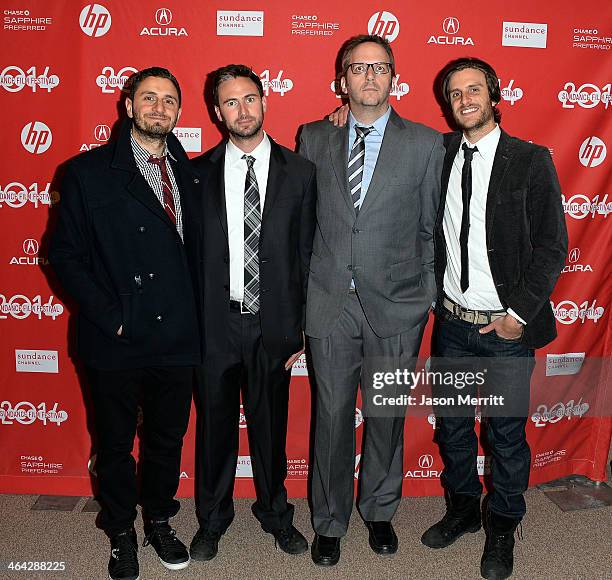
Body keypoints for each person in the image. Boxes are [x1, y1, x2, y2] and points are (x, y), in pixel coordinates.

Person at [49, 67, 200, 580]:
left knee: (166, 439)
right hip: (114, 337)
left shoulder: (190, 171)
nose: (160, 108)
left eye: (170, 100)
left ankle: (157, 517)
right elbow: (64, 256)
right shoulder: (86, 172)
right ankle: (119, 531)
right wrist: (113, 318)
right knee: (114, 443)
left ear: (180, 111)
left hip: (178, 334)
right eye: (149, 98)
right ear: (128, 105)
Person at [299, 35, 444, 565]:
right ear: (342, 80)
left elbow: (431, 228)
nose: (368, 77)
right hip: (330, 302)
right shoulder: (313, 136)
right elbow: (303, 222)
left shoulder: (427, 143)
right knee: (332, 416)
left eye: (379, 67)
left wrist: (424, 294)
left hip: (399, 306)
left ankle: (380, 513)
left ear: (393, 76)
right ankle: (330, 521)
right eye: (357, 68)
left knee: (386, 414)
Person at [420, 57, 567, 580]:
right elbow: (384, 139)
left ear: (494, 95)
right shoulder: (437, 154)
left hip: (505, 329)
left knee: (504, 434)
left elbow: (553, 246)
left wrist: (517, 316)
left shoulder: (529, 159)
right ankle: (463, 508)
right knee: (455, 430)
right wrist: (341, 117)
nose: (464, 100)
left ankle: (503, 522)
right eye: (455, 93)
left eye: (473, 89)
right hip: (453, 325)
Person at [188, 64, 316, 562]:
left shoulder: (301, 172)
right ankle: (212, 519)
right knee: (214, 429)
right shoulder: (195, 174)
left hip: (274, 327)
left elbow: (309, 256)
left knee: (270, 428)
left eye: (249, 99)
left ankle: (275, 514)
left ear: (265, 101)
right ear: (217, 112)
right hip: (214, 327)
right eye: (230, 102)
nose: (242, 110)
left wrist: (301, 327)